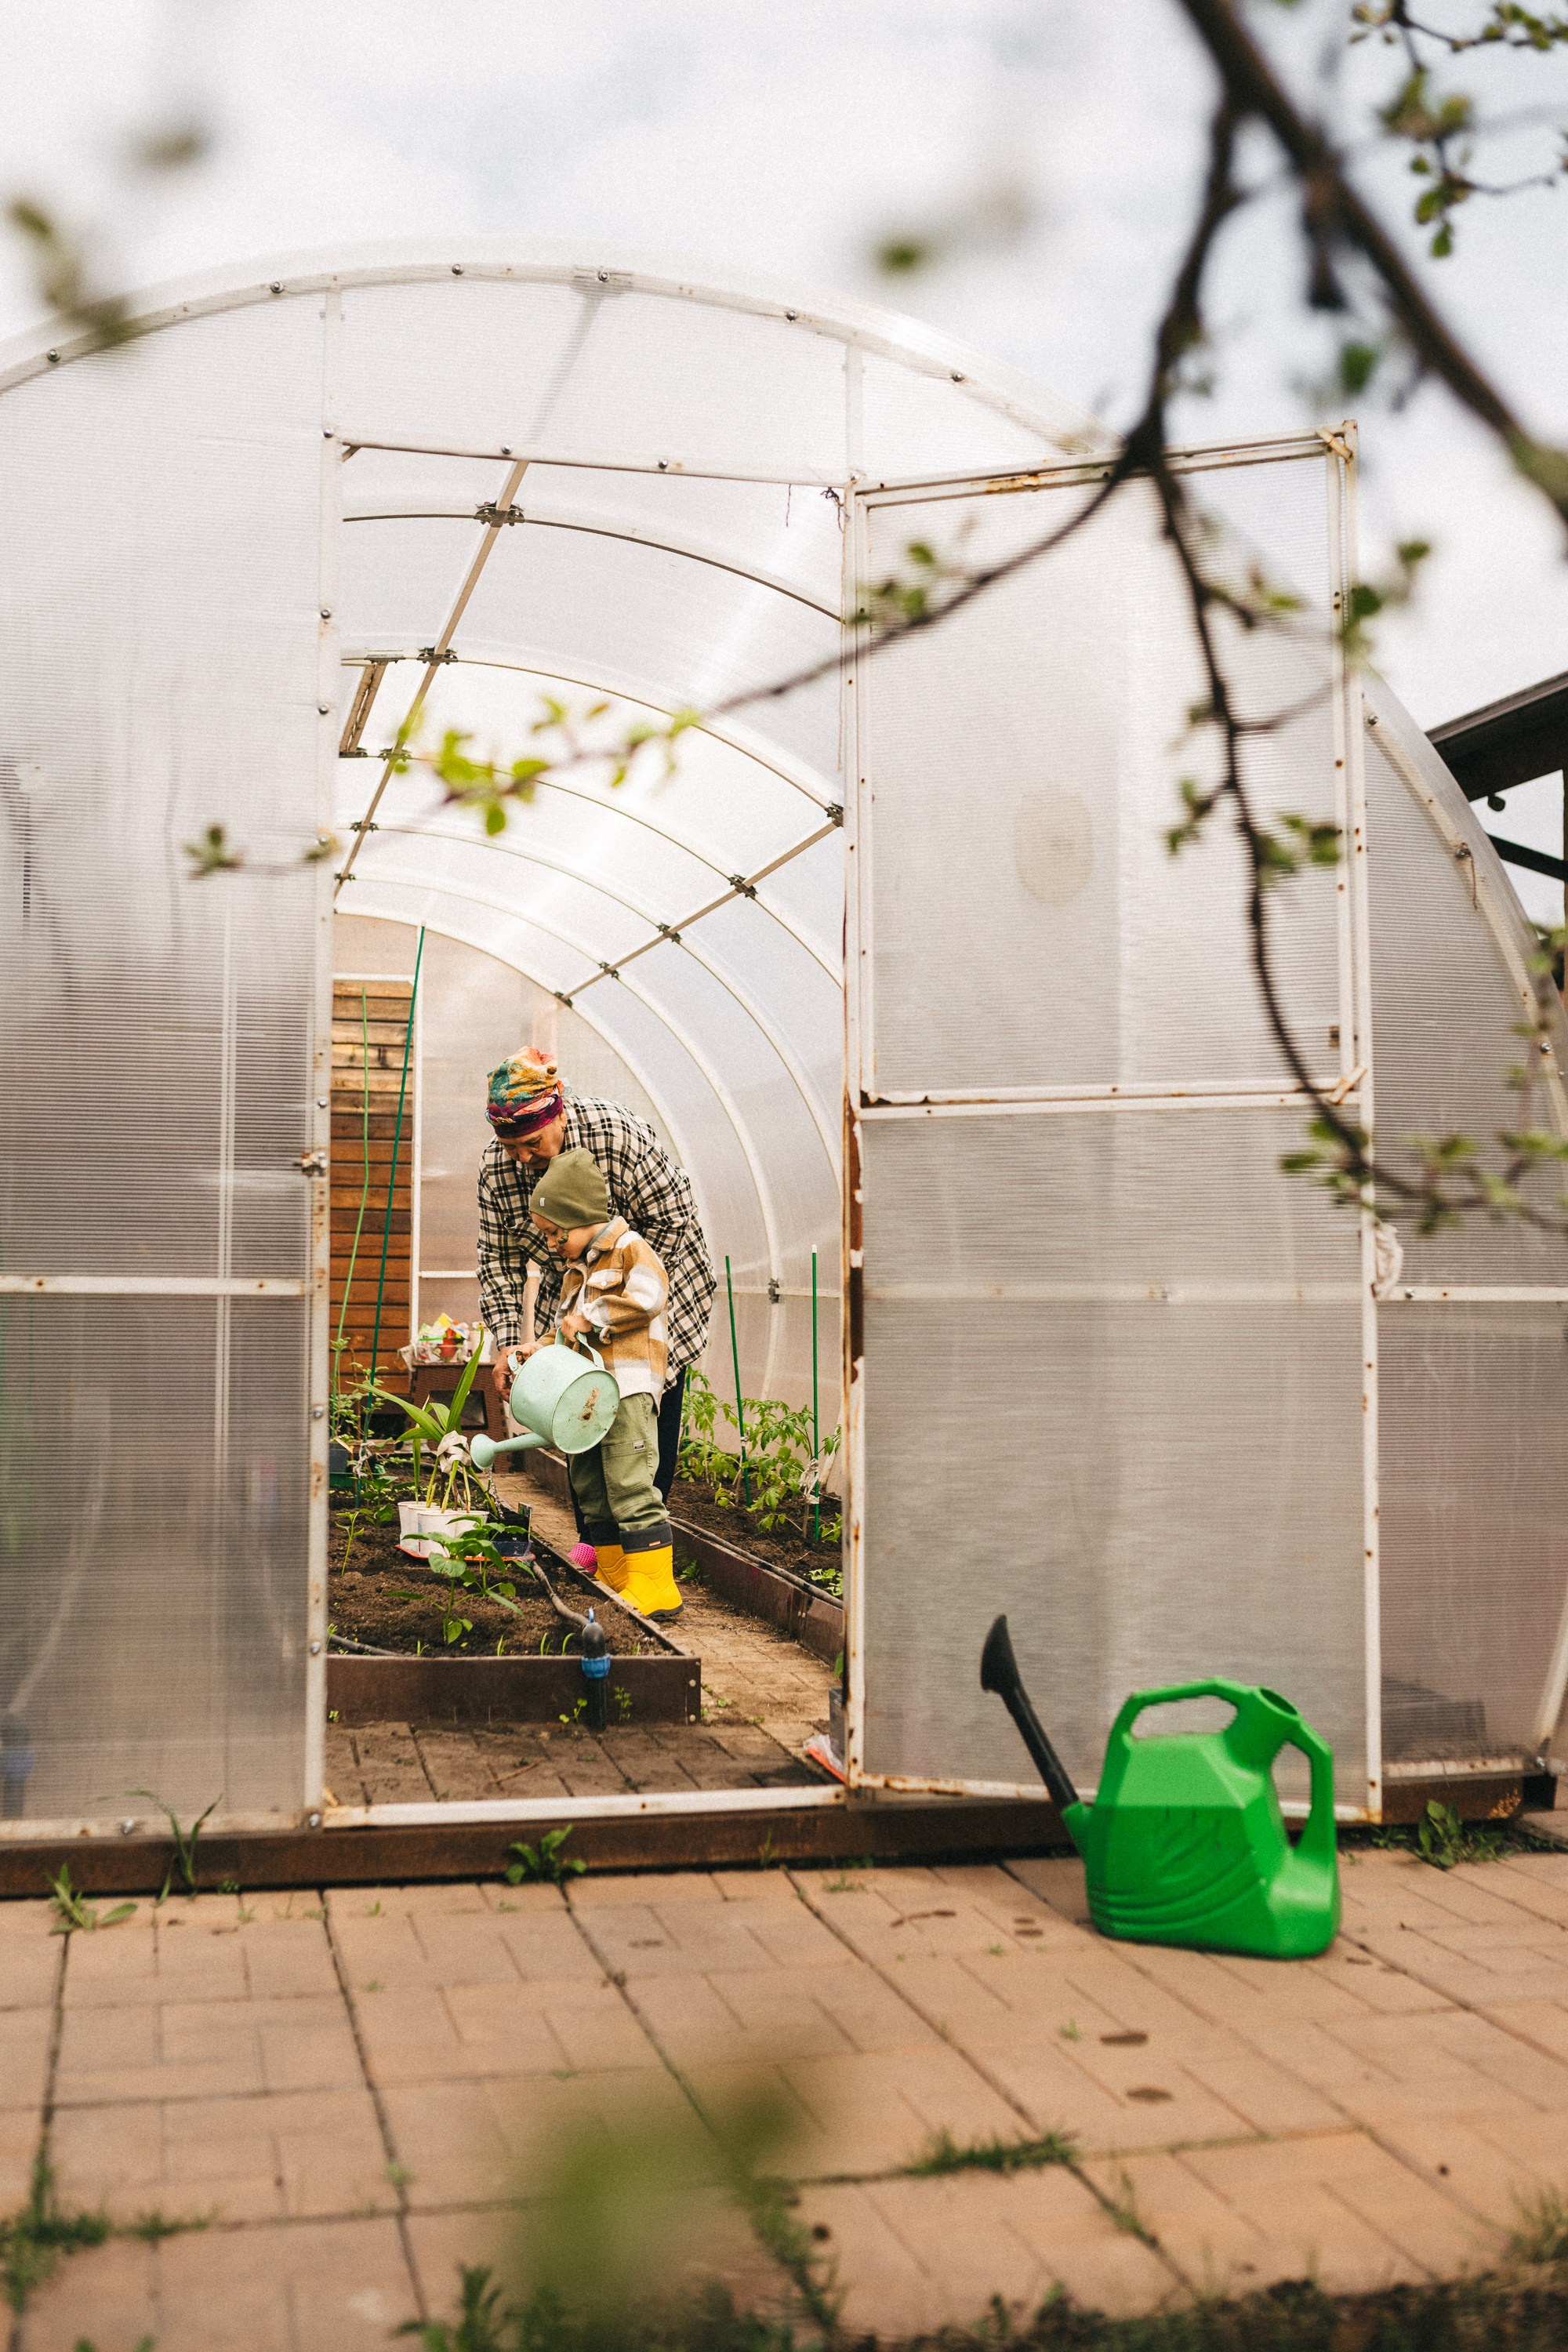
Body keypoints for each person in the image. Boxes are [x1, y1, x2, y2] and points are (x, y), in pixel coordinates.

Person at [476, 1047, 716, 1515]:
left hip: (658, 1291)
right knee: (580, 1414)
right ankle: (597, 1544)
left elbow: (672, 1217)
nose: (522, 1158)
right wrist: (510, 1344)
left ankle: (645, 1536)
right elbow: (498, 1264)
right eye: (510, 1147)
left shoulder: (617, 1135)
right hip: (573, 1292)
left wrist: (618, 1289)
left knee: (644, 1426)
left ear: (558, 1116)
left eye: (533, 1144)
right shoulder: (495, 1171)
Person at [521, 1147, 681, 1622]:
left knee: (629, 1481)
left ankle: (656, 1585)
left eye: (555, 1232)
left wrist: (589, 1316)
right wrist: (542, 1347)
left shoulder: (631, 1248)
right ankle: (615, 1572)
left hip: (628, 1387)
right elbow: (569, 1326)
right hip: (590, 1393)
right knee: (589, 1480)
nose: (550, 1243)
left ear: (581, 1215)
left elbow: (648, 1296)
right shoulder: (578, 1272)